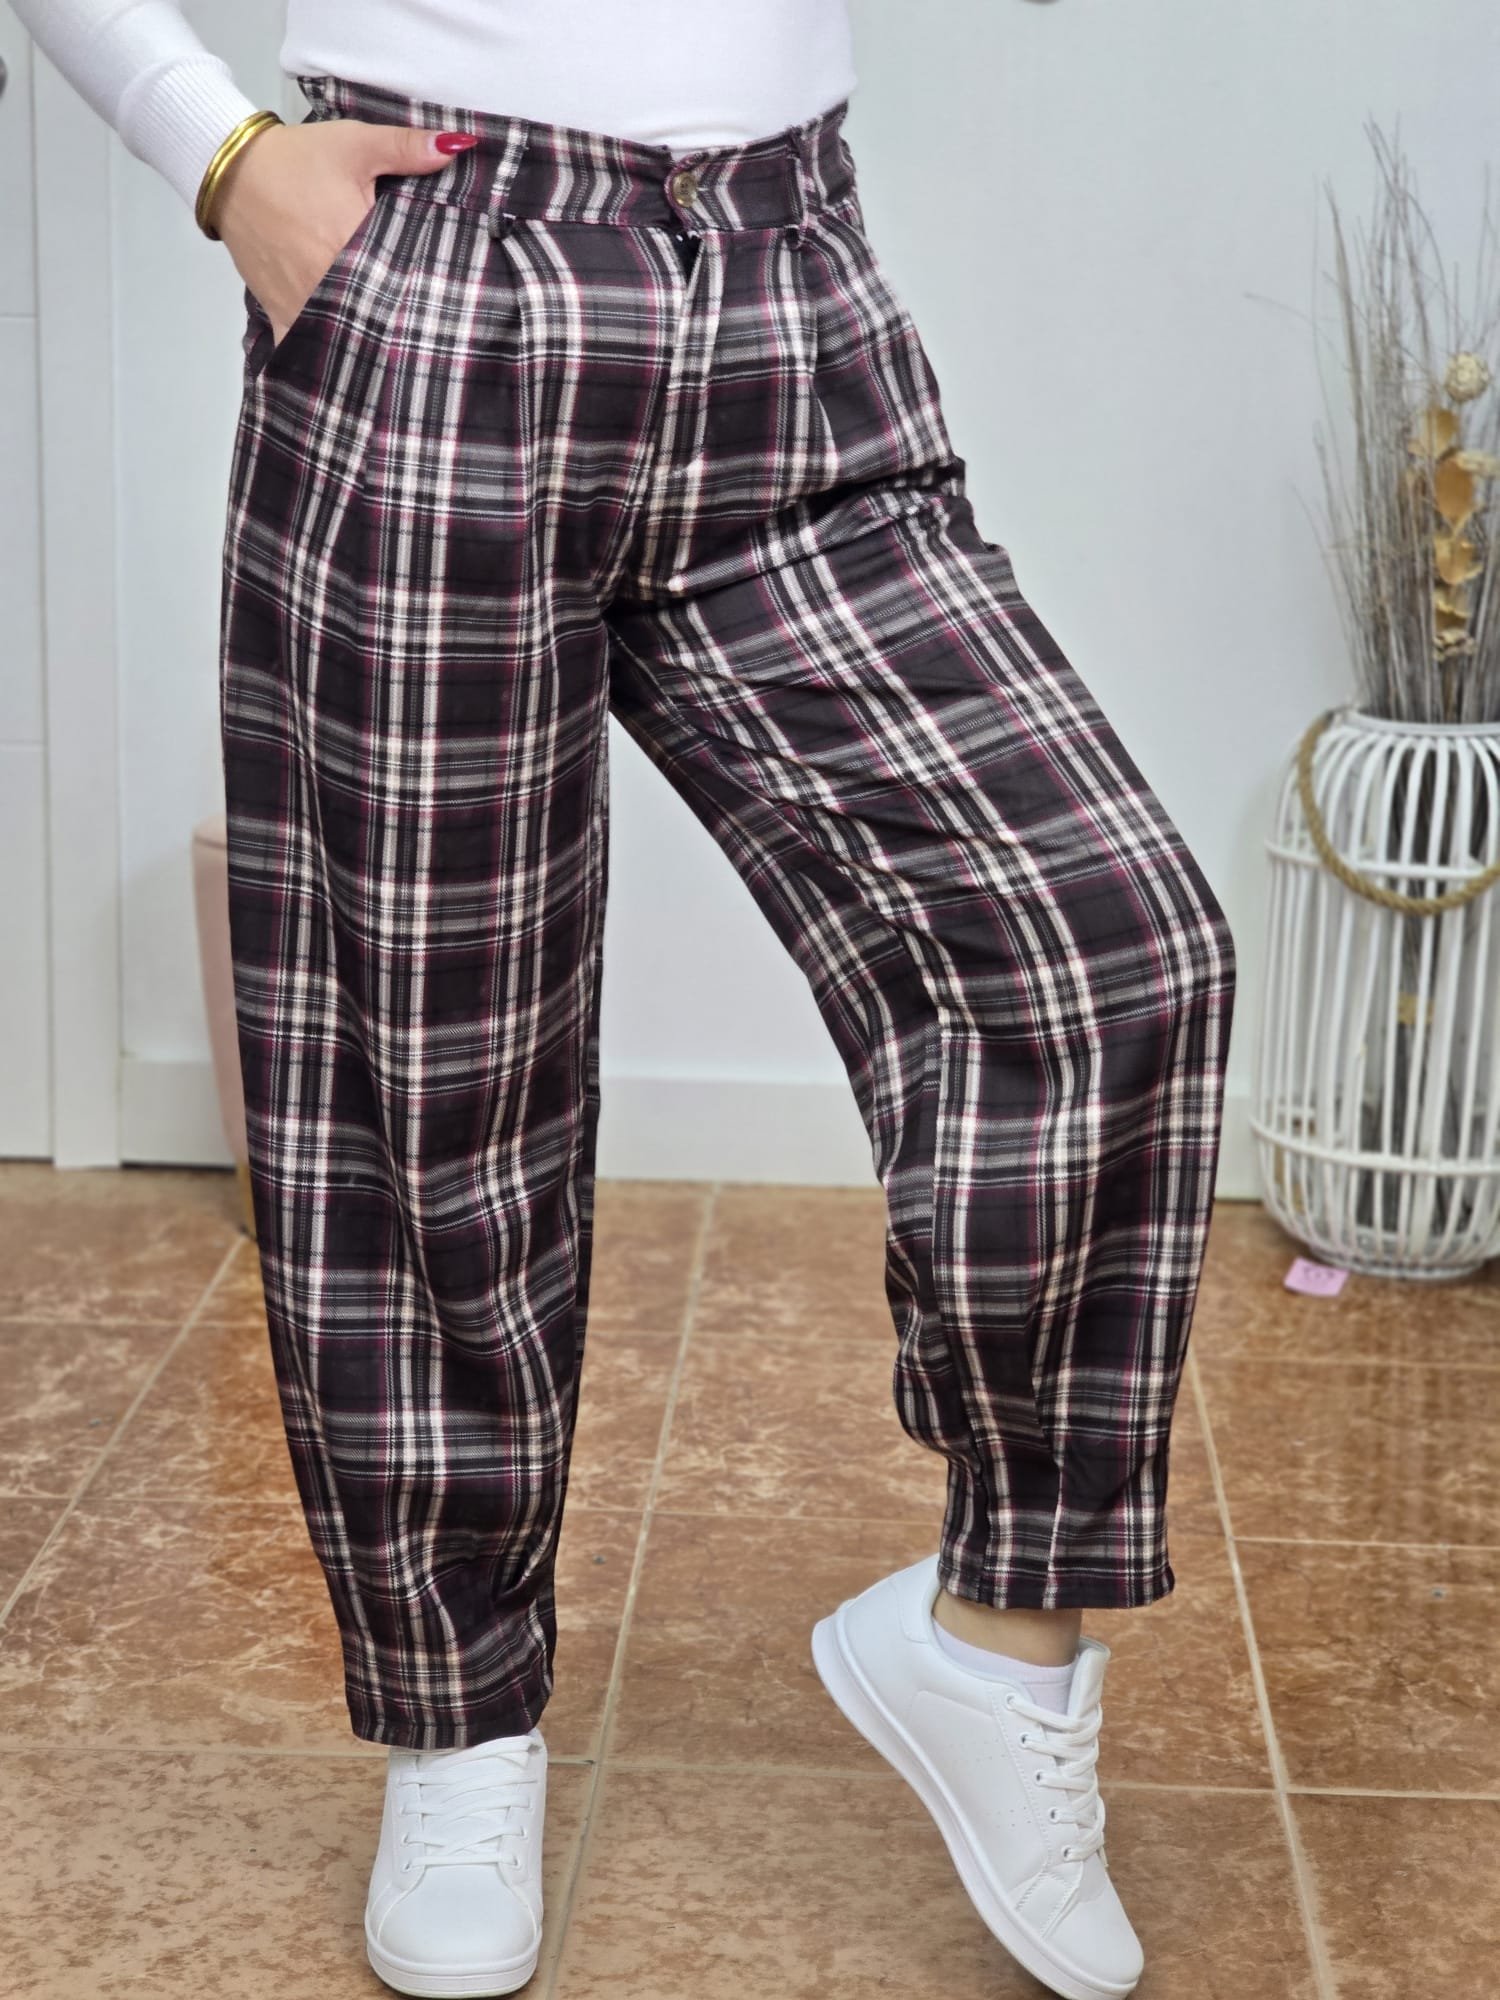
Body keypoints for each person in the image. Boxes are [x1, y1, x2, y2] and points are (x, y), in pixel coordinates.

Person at [14, 6, 1238, 1998]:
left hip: (785, 278)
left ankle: (1005, 1638)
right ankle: (459, 1725)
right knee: (432, 1051)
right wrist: (218, 155)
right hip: (437, 270)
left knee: (1108, 944)